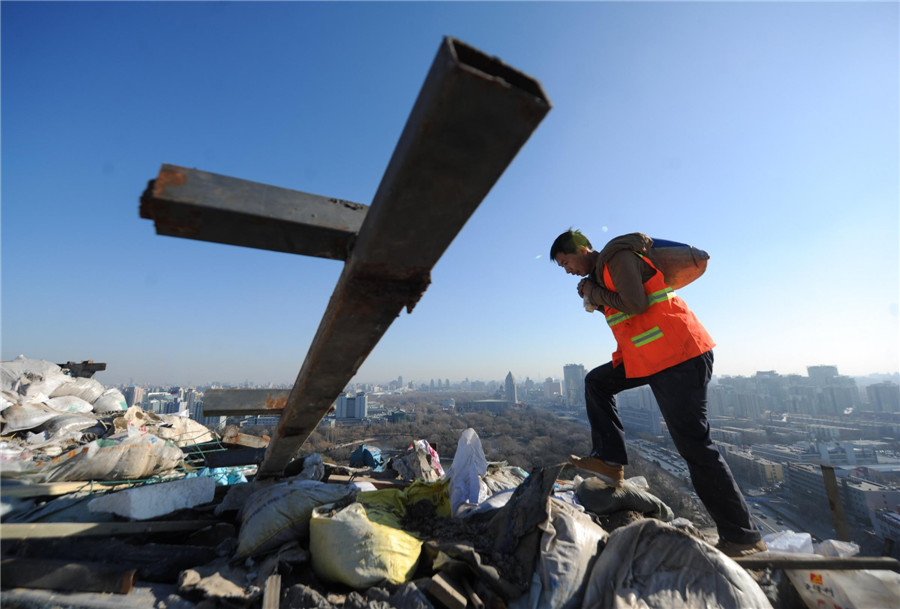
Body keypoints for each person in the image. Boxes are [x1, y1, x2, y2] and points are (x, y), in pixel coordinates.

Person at [550, 229, 766, 557]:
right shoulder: (603, 272)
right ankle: (610, 461)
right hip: (653, 359)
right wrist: (596, 294)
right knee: (597, 382)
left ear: (582, 249)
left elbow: (636, 305)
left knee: (695, 448)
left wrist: (595, 291)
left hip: (679, 356)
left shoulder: (616, 258)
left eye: (566, 261)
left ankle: (743, 537)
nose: (566, 270)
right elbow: (630, 322)